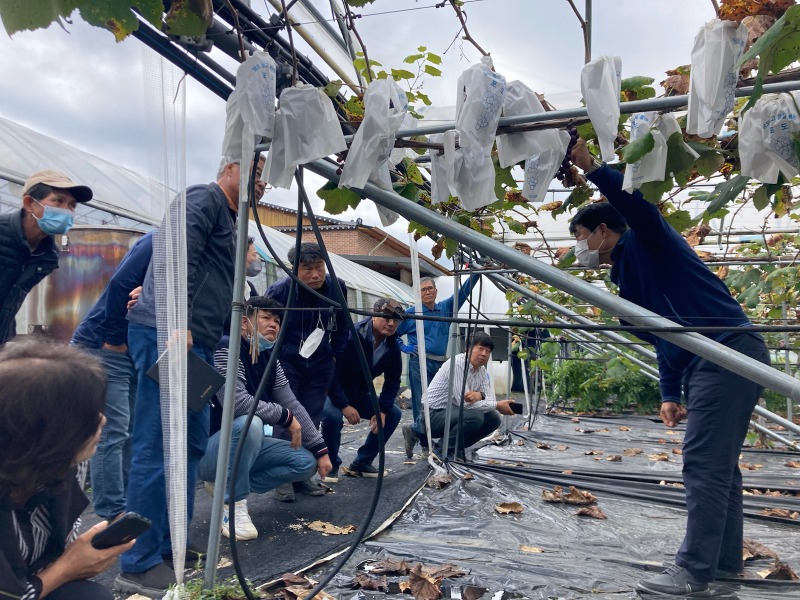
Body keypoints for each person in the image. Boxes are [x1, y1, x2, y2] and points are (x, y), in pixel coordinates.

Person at [570, 139, 770, 597]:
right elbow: (666, 336)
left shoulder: (648, 241)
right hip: (708, 358)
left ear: (602, 230)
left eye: (581, 237)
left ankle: (694, 571)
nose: (580, 248)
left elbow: (640, 209)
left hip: (727, 351)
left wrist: (595, 169)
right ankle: (721, 566)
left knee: (703, 463)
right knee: (721, 467)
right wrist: (670, 393)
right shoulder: (624, 277)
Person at [116, 157, 265, 597]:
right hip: (171, 335)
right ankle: (138, 561)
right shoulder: (204, 198)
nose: (262, 184)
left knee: (191, 443)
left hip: (195, 342)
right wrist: (174, 319)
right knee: (158, 445)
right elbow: (173, 256)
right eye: (256, 173)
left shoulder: (232, 220)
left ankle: (169, 544)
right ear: (231, 166)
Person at [0, 340, 133, 600]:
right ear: (49, 435)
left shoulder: (65, 462)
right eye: (87, 418)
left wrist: (80, 553)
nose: (103, 421)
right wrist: (66, 568)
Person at [198, 296, 332, 540]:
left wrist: (321, 449)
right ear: (244, 322)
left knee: (305, 463)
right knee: (251, 423)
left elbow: (292, 403)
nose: (273, 324)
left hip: (241, 448)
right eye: (265, 317)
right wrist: (285, 417)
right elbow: (236, 404)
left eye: (277, 320)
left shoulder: (271, 361)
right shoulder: (227, 349)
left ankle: (226, 487)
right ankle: (232, 505)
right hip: (208, 449)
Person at [71, 232, 153, 523]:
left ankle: (130, 507)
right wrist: (115, 339)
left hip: (132, 352)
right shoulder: (159, 240)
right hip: (106, 347)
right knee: (112, 432)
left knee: (129, 430)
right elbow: (120, 284)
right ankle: (111, 513)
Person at [266, 242, 349, 501]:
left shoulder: (336, 287)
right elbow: (266, 323)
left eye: (319, 268)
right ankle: (281, 477)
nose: (315, 275)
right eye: (307, 269)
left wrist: (335, 353)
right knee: (287, 417)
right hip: (287, 359)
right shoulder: (280, 290)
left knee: (312, 418)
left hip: (320, 360)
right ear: (294, 269)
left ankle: (302, 475)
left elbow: (343, 325)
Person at [0, 169, 92, 345]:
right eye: (58, 201)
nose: (67, 210)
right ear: (29, 203)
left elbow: (11, 302)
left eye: (72, 205)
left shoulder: (48, 255)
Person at [321, 298, 406, 481]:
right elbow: (331, 374)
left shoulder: (392, 345)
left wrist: (382, 410)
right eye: (386, 318)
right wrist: (344, 406)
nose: (391, 324)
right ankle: (330, 464)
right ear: (374, 315)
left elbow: (392, 381)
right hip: (334, 391)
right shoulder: (353, 335)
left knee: (393, 414)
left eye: (396, 321)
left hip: (359, 393)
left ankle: (362, 462)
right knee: (332, 416)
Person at [397, 273, 481, 457]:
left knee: (440, 402)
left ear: (436, 291)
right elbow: (392, 332)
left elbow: (463, 292)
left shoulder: (445, 308)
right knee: (422, 403)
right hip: (420, 363)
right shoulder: (412, 313)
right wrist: (405, 347)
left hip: (439, 364)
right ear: (418, 294)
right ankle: (426, 445)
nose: (427, 292)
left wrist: (477, 273)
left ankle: (413, 431)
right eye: (423, 290)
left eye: (430, 289)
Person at [405, 331, 515, 460]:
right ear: (468, 349)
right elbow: (465, 404)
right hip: (432, 415)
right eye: (480, 348)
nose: (484, 354)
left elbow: (488, 398)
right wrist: (497, 405)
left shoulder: (481, 371)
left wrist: (481, 395)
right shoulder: (457, 365)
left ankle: (455, 447)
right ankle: (442, 450)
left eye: (488, 351)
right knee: (475, 417)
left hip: (452, 413)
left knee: (494, 419)